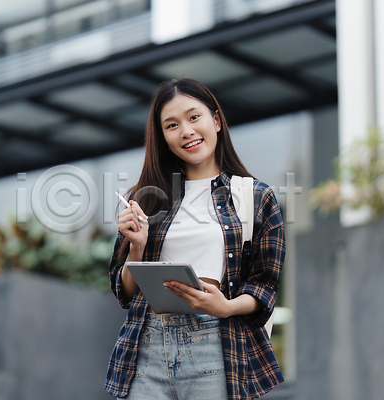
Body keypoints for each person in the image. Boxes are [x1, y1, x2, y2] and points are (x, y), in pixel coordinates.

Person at [105, 78, 285, 400]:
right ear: (163, 137)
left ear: (215, 120)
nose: (186, 131)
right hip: (147, 349)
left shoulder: (256, 197)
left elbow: (265, 287)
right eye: (171, 125)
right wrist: (137, 246)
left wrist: (226, 307)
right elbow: (126, 292)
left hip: (215, 347)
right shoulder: (147, 198)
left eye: (193, 117)